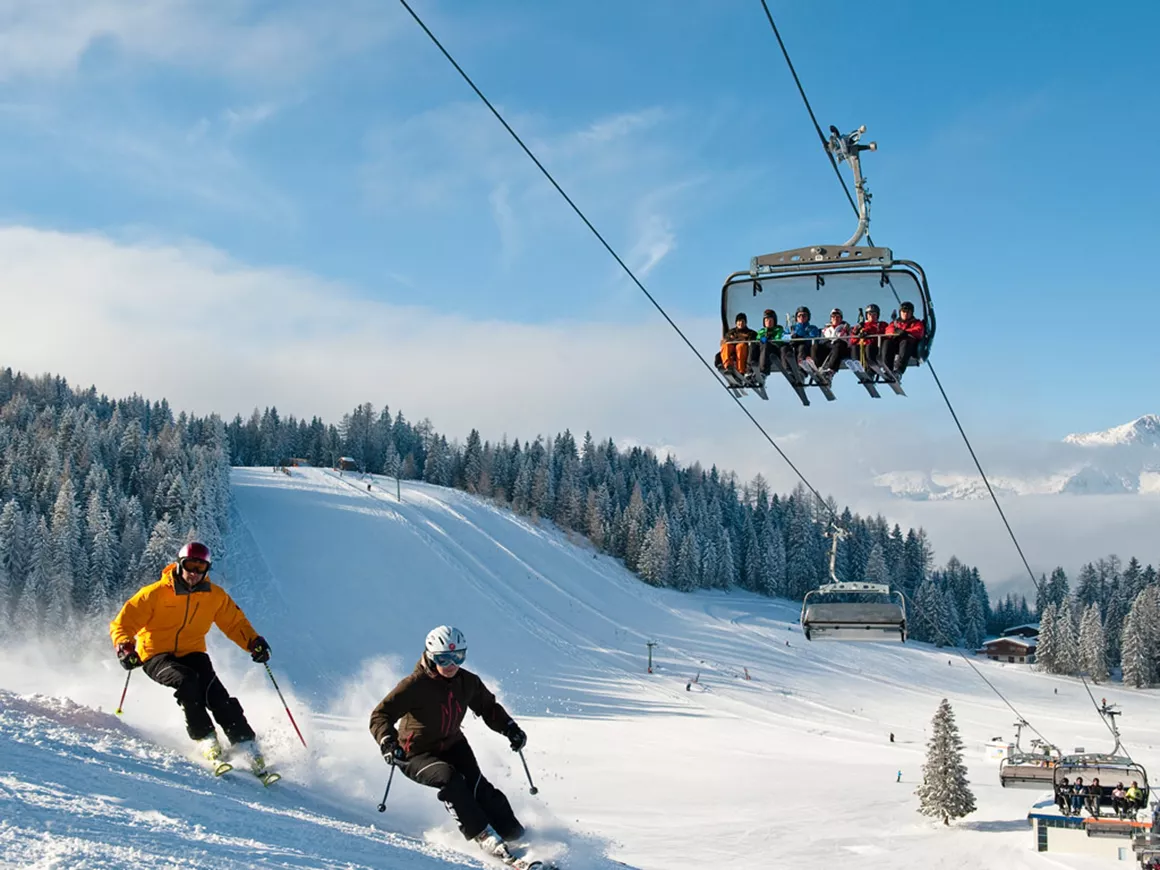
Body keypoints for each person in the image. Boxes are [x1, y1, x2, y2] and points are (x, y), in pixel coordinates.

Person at [109, 542, 272, 773]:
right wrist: (125, 647)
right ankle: (205, 737)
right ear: (179, 564)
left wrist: (253, 643)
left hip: (193, 651)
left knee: (216, 694)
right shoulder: (154, 593)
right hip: (156, 654)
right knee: (187, 681)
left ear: (207, 569)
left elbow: (234, 623)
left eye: (200, 567)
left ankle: (245, 742)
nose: (194, 573)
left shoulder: (214, 596)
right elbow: (123, 623)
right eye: (189, 566)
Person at [369, 626, 529, 861]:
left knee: (477, 786)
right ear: (431, 657)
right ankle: (483, 835)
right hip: (415, 753)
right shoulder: (414, 685)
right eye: (444, 658)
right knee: (450, 779)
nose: (451, 665)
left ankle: (513, 833)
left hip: (453, 744)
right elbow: (380, 715)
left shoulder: (467, 682)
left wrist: (510, 728)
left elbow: (488, 708)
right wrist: (389, 743)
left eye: (458, 657)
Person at [883, 301, 925, 377]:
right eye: (903, 311)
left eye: (908, 312)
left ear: (911, 313)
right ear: (900, 312)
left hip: (909, 347)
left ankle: (899, 370)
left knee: (905, 342)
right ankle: (887, 368)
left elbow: (919, 331)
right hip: (896, 347)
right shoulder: (895, 323)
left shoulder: (916, 322)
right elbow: (888, 330)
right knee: (887, 342)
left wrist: (905, 332)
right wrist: (895, 332)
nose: (905, 314)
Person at [750, 309, 790, 382]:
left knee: (767, 345)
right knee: (754, 346)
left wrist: (771, 338)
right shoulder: (762, 331)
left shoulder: (778, 329)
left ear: (774, 321)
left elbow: (779, 339)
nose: (768, 322)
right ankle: (750, 369)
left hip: (775, 350)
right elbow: (758, 338)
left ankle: (763, 371)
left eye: (770, 320)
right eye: (766, 320)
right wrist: (762, 339)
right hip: (764, 351)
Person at [717, 313, 757, 379]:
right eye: (739, 321)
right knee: (726, 346)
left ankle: (741, 370)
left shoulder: (750, 333)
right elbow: (725, 341)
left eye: (742, 321)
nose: (740, 323)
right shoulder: (731, 332)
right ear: (736, 322)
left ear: (745, 322)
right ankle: (728, 366)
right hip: (733, 352)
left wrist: (738, 339)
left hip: (744, 352)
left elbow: (752, 342)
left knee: (740, 346)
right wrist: (730, 339)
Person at [850, 303, 888, 368]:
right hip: (862, 345)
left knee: (869, 347)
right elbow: (852, 340)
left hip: (874, 345)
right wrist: (857, 334)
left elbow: (885, 334)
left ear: (877, 315)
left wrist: (869, 333)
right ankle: (857, 365)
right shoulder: (861, 326)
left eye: (874, 314)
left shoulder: (881, 324)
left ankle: (871, 367)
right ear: (867, 315)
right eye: (869, 314)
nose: (872, 316)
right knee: (855, 347)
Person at [818, 308, 852, 376]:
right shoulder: (826, 329)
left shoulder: (845, 328)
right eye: (833, 317)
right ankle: (816, 366)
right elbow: (822, 340)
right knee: (816, 347)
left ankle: (831, 370)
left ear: (841, 318)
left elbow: (850, 339)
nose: (835, 318)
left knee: (838, 345)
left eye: (837, 316)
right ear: (831, 318)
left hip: (841, 348)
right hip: (828, 346)